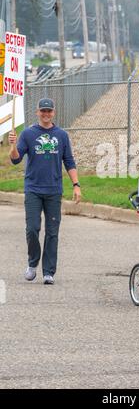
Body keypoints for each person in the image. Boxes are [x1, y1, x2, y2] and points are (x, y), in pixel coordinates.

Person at [8, 98, 81, 285]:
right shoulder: (28, 134)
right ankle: (32, 263)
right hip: (33, 189)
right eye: (43, 111)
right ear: (37, 112)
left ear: (53, 113)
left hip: (54, 190)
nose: (46, 114)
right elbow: (15, 160)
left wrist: (76, 185)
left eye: (49, 111)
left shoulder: (62, 135)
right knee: (32, 229)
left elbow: (69, 161)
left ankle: (49, 271)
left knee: (52, 232)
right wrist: (12, 145)